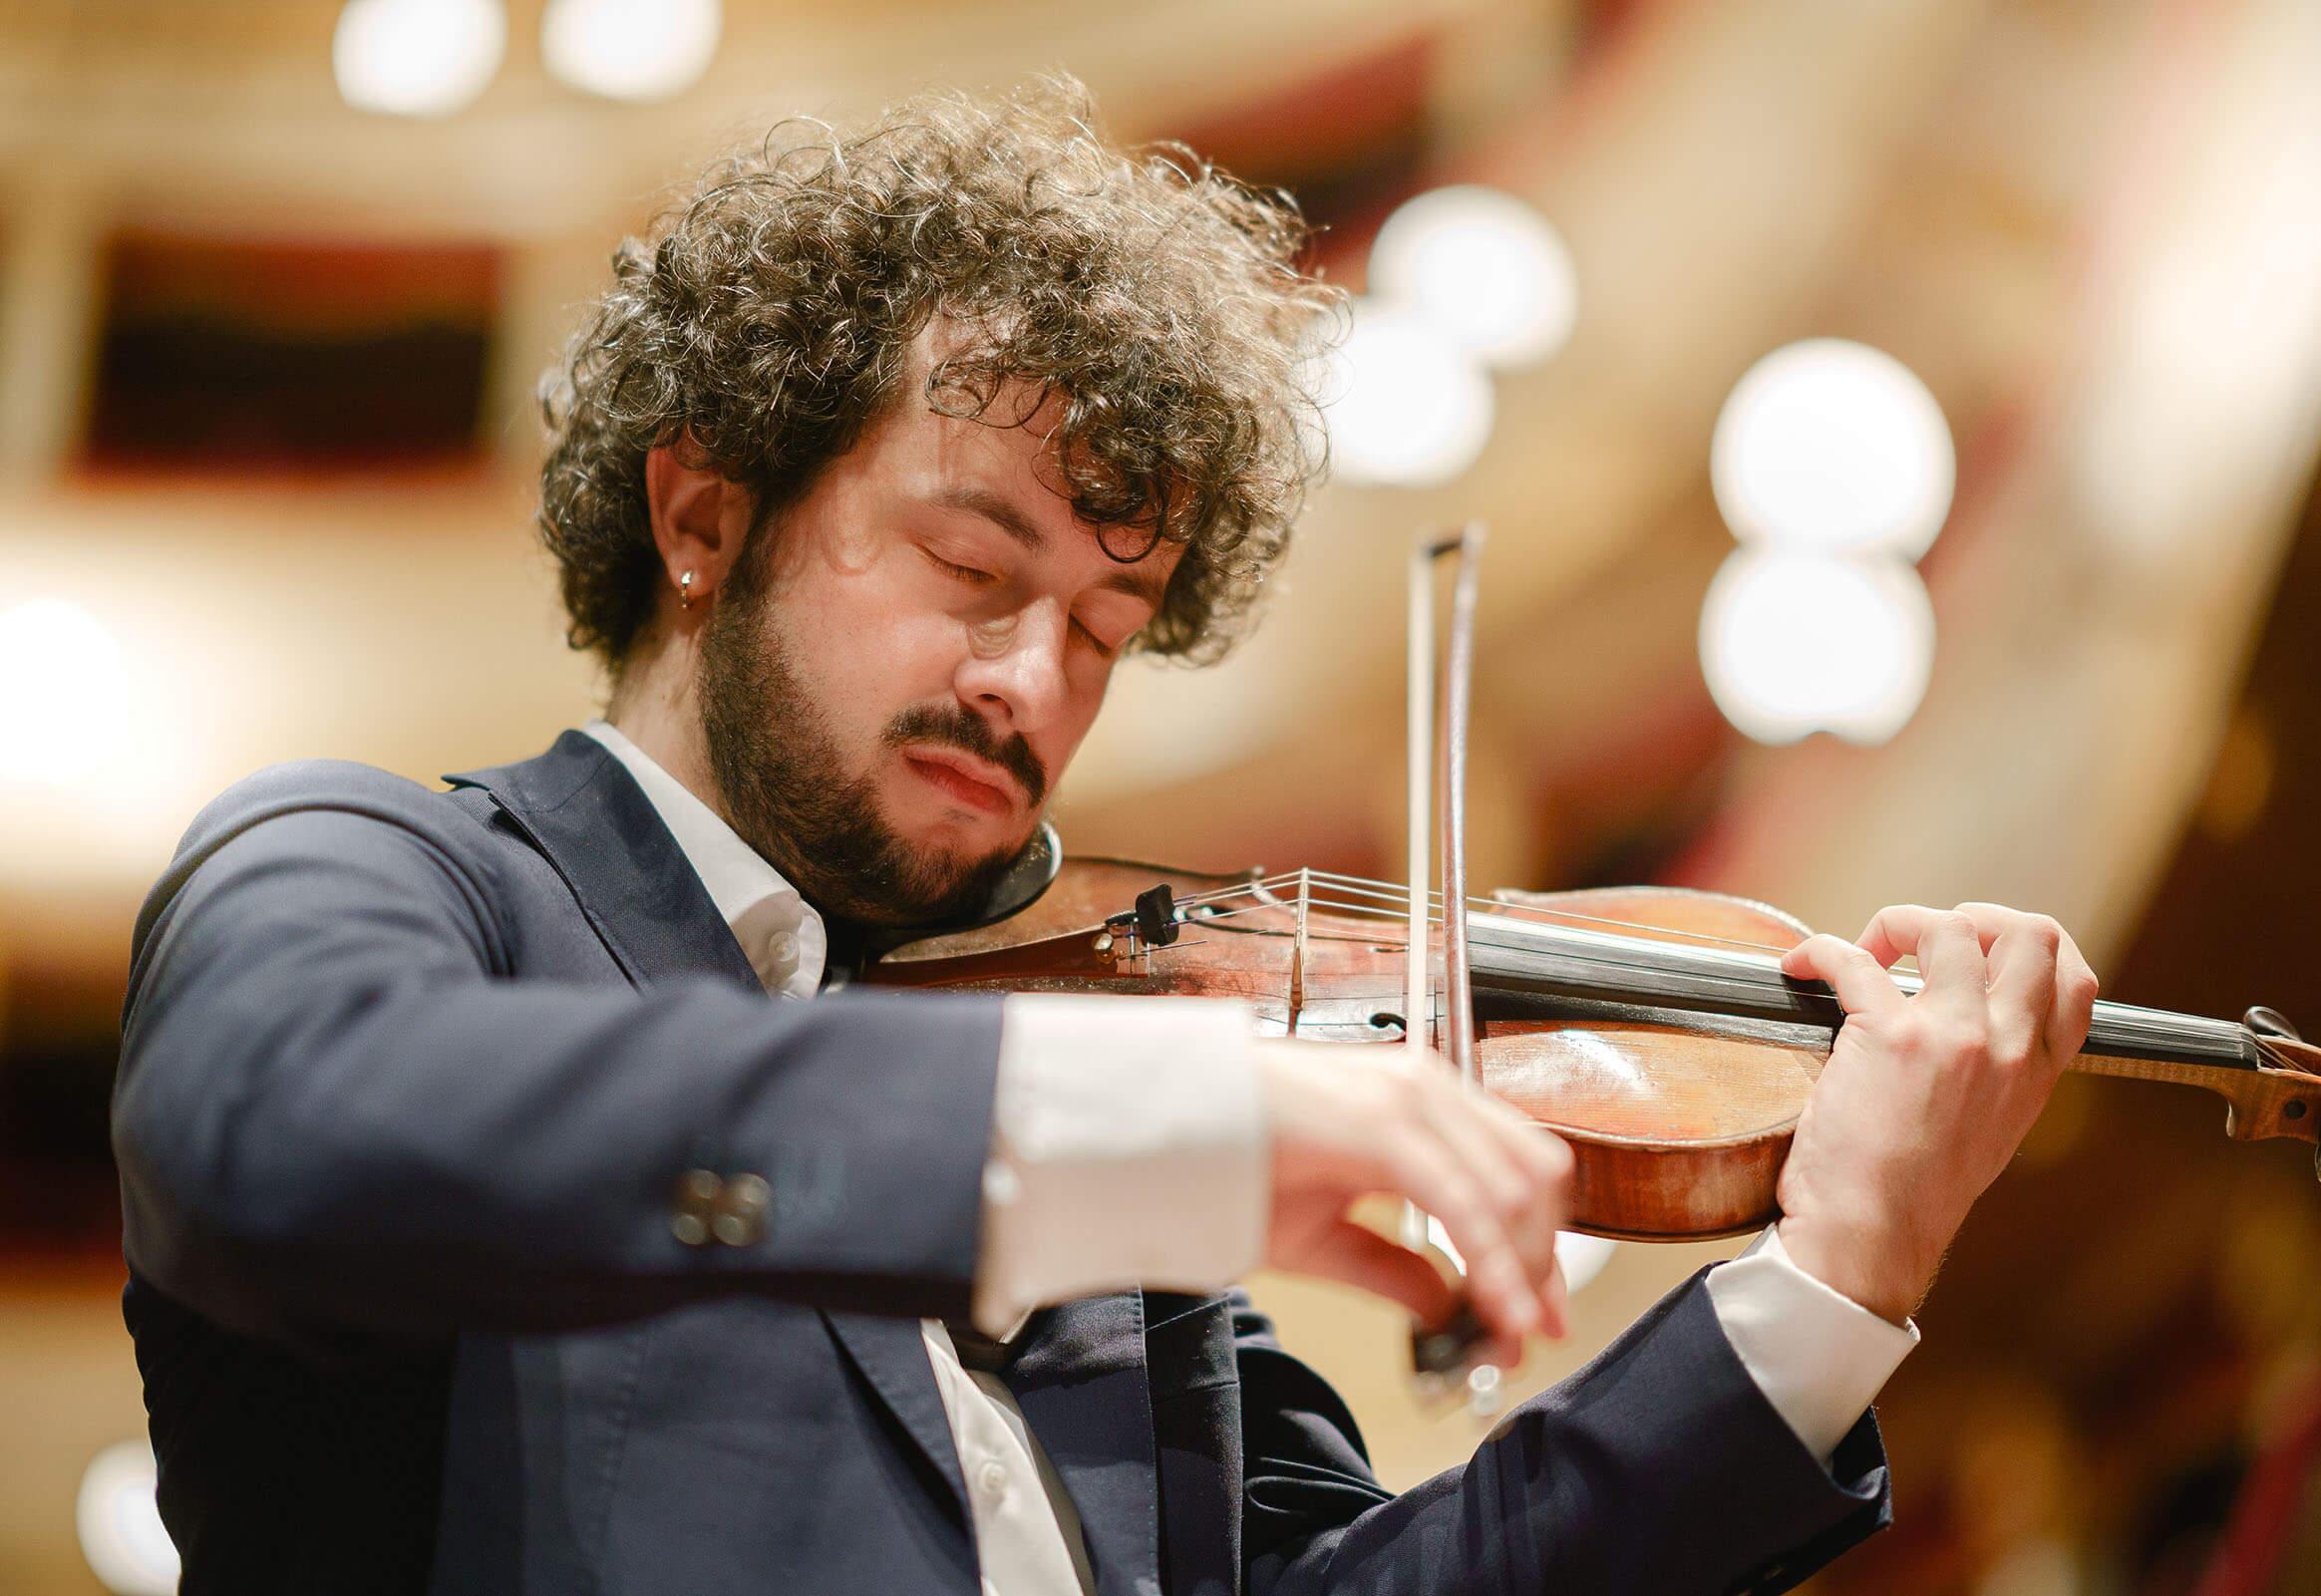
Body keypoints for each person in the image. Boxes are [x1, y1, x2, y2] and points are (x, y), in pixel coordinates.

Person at [111, 80, 2099, 1596]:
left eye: (1102, 633)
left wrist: (1835, 1275)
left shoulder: (1105, 1235)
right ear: (705, 517)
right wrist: (1103, 1126)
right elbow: (281, 1135)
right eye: (977, 571)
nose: (1034, 693)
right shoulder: (387, 877)